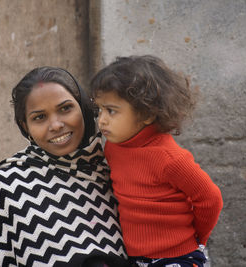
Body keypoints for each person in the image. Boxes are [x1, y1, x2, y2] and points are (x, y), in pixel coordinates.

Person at [0, 67, 130, 267]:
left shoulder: (110, 173)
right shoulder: (9, 184)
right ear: (25, 126)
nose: (55, 125)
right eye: (39, 117)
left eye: (65, 109)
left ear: (84, 108)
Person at [90, 55, 223, 267]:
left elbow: (210, 198)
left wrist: (199, 239)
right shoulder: (112, 147)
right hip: (136, 258)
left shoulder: (169, 158)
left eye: (111, 111)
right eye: (100, 110)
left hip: (178, 257)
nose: (102, 120)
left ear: (147, 114)